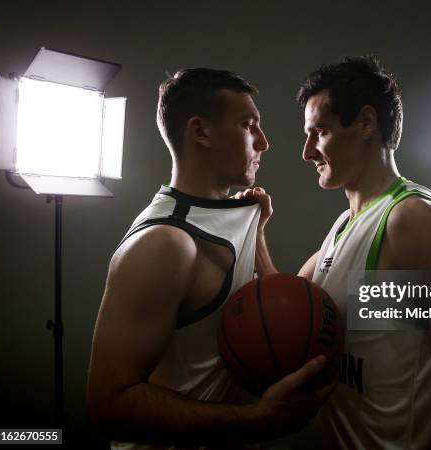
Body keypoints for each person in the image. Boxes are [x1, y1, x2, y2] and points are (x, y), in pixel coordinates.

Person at [247, 56, 431, 449]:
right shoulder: (344, 226)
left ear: (366, 123)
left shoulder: (411, 221)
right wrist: (256, 230)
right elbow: (284, 309)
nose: (307, 152)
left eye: (320, 133)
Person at [86, 68, 335, 450]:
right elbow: (107, 405)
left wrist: (258, 231)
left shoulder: (240, 211)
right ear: (200, 131)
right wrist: (256, 420)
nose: (264, 142)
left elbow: (271, 316)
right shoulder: (165, 243)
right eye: (249, 125)